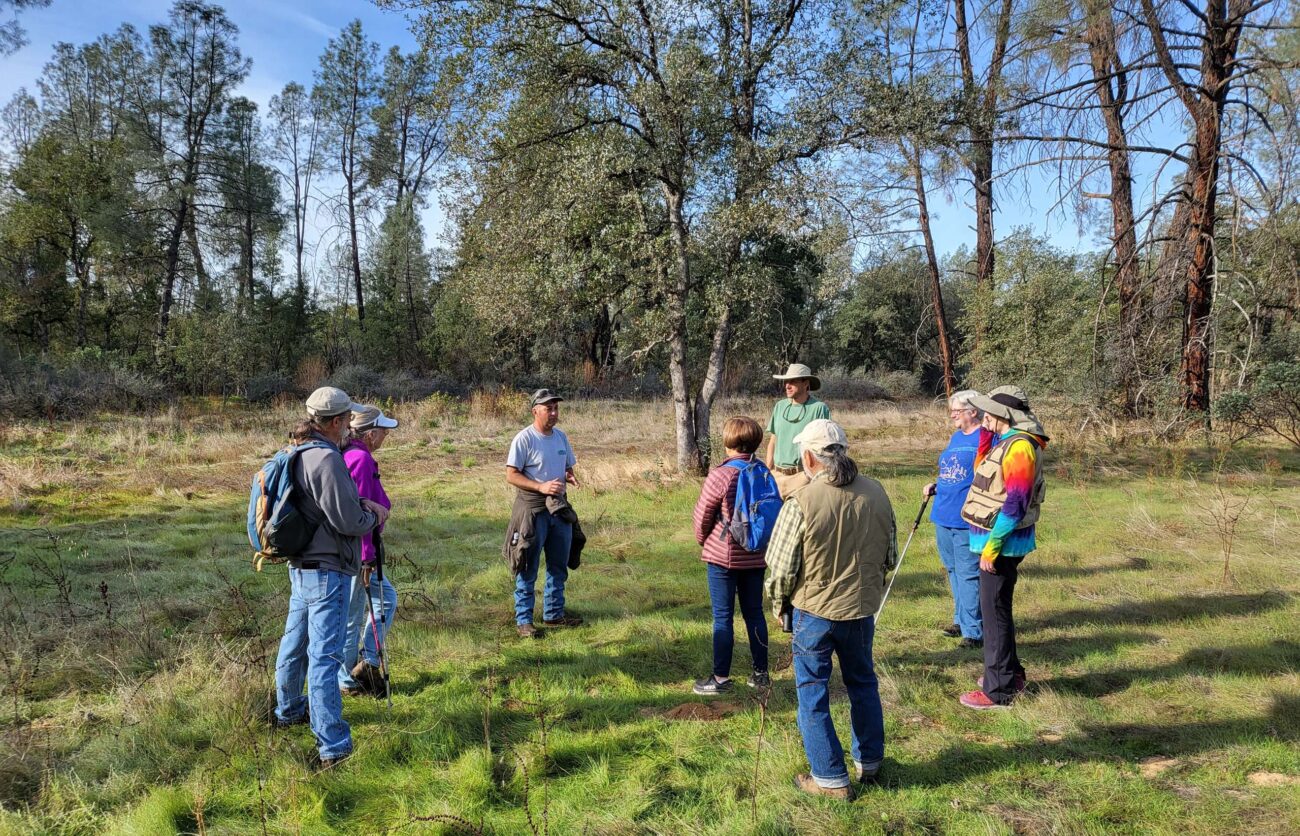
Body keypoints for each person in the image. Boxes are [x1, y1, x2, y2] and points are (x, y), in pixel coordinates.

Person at [765, 419, 897, 800]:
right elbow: (887, 557)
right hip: (860, 609)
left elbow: (782, 566)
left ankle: (829, 779)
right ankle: (870, 763)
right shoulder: (877, 493)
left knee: (812, 692)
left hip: (814, 611)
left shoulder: (802, 501)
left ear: (808, 457)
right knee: (863, 684)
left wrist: (778, 604)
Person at [273, 386, 389, 768]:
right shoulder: (326, 458)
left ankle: (288, 711)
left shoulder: (295, 450)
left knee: (294, 644)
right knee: (324, 658)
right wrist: (373, 515)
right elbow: (348, 520)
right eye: (346, 421)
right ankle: (333, 746)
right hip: (328, 570)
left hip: (300, 567)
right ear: (337, 421)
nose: (348, 429)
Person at [957, 385, 1048, 710]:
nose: (983, 415)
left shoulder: (1020, 448)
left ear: (1005, 415)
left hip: (1002, 545)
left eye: (988, 412)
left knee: (994, 617)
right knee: (998, 612)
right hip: (997, 543)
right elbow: (983, 472)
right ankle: (1010, 675)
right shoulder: (1007, 442)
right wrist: (984, 433)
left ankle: (999, 691)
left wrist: (991, 549)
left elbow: (1016, 503)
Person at [690, 416, 772, 695]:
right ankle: (761, 673)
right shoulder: (763, 471)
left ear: (728, 442)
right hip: (756, 554)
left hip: (723, 557)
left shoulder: (721, 474)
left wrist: (705, 541)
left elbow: (703, 515)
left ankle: (721, 678)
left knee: (723, 616)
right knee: (755, 614)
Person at [504, 389, 582, 638]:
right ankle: (524, 621)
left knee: (559, 565)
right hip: (533, 510)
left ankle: (554, 615)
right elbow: (511, 474)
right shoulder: (524, 439)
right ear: (535, 411)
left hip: (559, 508)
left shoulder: (560, 437)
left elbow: (566, 465)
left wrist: (568, 475)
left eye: (556, 408)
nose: (554, 413)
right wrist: (540, 486)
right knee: (527, 564)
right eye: (549, 408)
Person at [338, 404, 400, 697]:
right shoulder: (360, 459)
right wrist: (366, 558)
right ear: (371, 433)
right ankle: (350, 678)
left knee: (381, 600)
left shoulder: (355, 454)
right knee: (352, 615)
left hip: (359, 552)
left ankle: (365, 663)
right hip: (357, 554)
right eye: (383, 431)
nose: (386, 436)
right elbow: (358, 511)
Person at [922, 390, 985, 649]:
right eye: (951, 410)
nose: (952, 415)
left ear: (973, 411)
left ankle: (975, 632)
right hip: (943, 513)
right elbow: (953, 471)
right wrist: (936, 484)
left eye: (957, 410)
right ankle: (960, 620)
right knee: (952, 570)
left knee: (969, 573)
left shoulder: (986, 438)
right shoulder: (957, 436)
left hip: (966, 517)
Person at [765, 363, 831, 499]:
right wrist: (768, 470)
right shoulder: (780, 406)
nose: (787, 386)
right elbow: (773, 440)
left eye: (793, 382)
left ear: (806, 383)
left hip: (803, 476)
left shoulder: (819, 408)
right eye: (786, 381)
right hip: (777, 475)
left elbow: (824, 446)